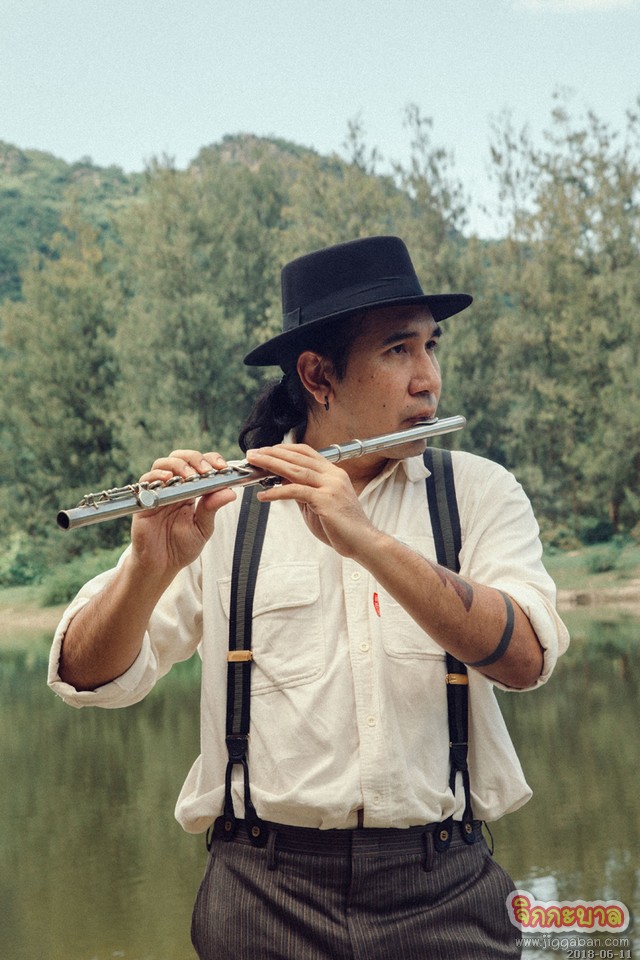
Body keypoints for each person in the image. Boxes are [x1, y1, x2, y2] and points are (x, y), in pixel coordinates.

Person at [48, 235, 569, 959]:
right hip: (262, 897)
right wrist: (146, 566)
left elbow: (526, 660)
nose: (428, 379)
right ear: (319, 375)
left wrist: (368, 541)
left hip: (446, 889)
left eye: (430, 346)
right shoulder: (224, 509)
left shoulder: (480, 492)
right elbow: (84, 675)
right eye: (398, 350)